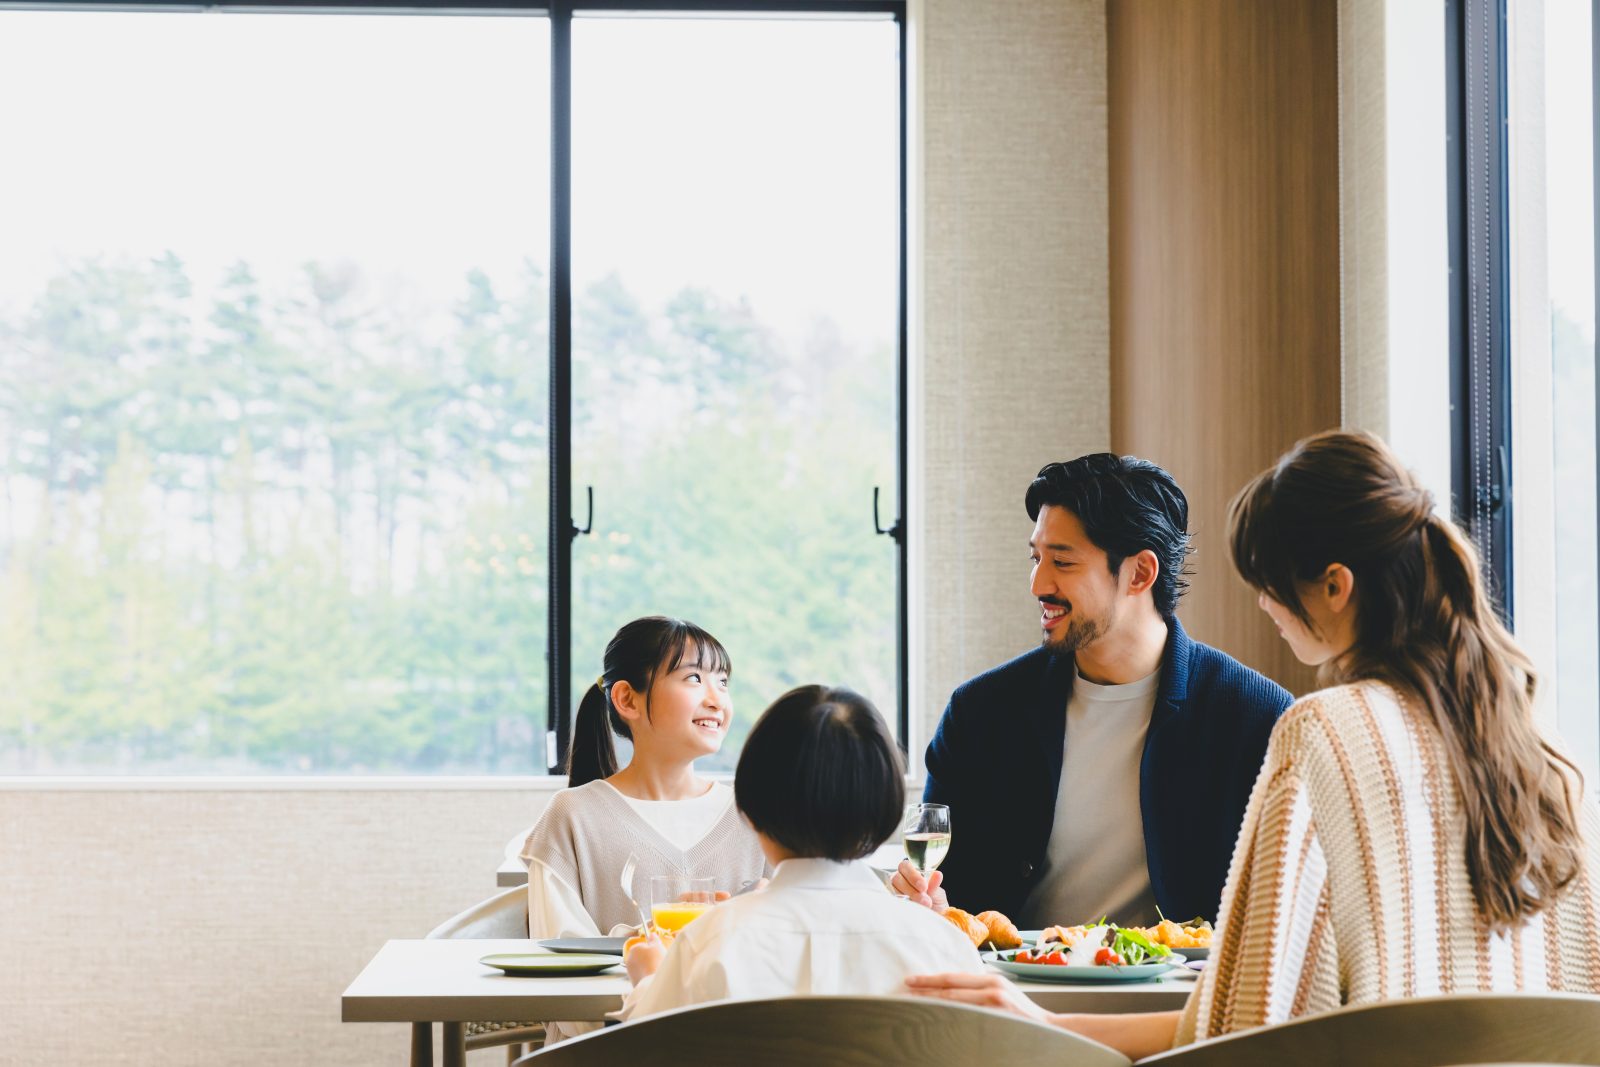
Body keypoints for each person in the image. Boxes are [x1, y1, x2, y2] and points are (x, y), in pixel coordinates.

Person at [906, 430, 1600, 1058]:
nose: (1264, 606)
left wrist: (1038, 1025)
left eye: (1267, 584)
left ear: (1334, 585)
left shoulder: (1314, 729)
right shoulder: (1535, 742)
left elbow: (1253, 1021)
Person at [893, 454, 1291, 927]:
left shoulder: (1256, 719)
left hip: (1178, 996)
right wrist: (926, 902)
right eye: (1036, 558)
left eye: (1062, 561)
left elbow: (1281, 912)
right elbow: (946, 891)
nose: (1038, 583)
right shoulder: (981, 714)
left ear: (1140, 574)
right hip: (1008, 988)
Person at [621, 685, 1020, 1019]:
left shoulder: (707, 942)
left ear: (749, 808)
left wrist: (648, 980)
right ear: (886, 809)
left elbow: (649, 1045)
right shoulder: (941, 945)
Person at [519, 616, 769, 1042]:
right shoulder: (572, 815)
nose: (716, 699)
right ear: (627, 700)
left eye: (723, 682)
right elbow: (563, 980)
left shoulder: (754, 815)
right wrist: (647, 941)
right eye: (694, 677)